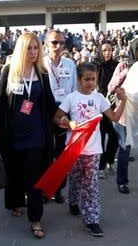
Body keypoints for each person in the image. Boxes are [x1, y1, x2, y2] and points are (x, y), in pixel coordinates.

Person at [0, 32, 57, 239]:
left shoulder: (42, 73)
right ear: (21, 49)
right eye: (29, 48)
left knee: (34, 176)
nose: (34, 52)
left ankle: (36, 219)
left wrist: (65, 118)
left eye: (36, 48)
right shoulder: (8, 71)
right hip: (13, 134)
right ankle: (16, 202)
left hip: (37, 134)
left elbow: (51, 103)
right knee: (15, 171)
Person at [54, 62, 127, 237]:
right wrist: (67, 122)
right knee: (75, 178)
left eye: (93, 79)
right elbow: (56, 118)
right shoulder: (71, 98)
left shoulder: (99, 98)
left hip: (93, 150)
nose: (90, 83)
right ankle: (73, 201)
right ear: (79, 80)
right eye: (87, 79)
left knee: (90, 185)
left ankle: (92, 219)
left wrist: (123, 100)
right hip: (74, 148)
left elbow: (115, 117)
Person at [44, 29, 77, 203]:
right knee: (46, 154)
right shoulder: (41, 64)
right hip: (47, 112)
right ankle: (45, 189)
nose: (58, 46)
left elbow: (73, 91)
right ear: (46, 44)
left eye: (62, 43)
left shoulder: (70, 65)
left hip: (64, 112)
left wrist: (67, 114)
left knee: (62, 155)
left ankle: (58, 189)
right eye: (54, 42)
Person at [107, 37, 138, 193]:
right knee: (124, 149)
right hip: (123, 116)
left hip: (136, 117)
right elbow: (111, 87)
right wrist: (126, 73)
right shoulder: (123, 66)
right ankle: (122, 182)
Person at [93, 40, 119, 178]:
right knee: (101, 137)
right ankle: (101, 167)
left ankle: (110, 159)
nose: (107, 53)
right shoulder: (94, 65)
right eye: (104, 50)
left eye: (109, 50)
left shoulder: (116, 66)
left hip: (114, 106)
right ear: (100, 51)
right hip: (98, 106)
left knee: (115, 135)